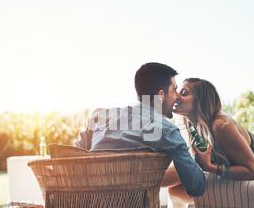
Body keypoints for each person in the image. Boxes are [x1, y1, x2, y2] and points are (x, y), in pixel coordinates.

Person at [75, 62, 206, 198]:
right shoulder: (167, 131)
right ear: (160, 95)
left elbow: (70, 157)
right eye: (174, 90)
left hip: (88, 207)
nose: (178, 96)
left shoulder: (100, 116)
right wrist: (201, 161)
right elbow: (196, 187)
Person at [164, 77, 254, 208]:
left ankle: (142, 188)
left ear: (200, 101)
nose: (176, 96)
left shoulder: (220, 125)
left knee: (183, 171)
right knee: (175, 190)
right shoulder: (198, 128)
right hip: (247, 184)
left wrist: (210, 167)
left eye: (184, 93)